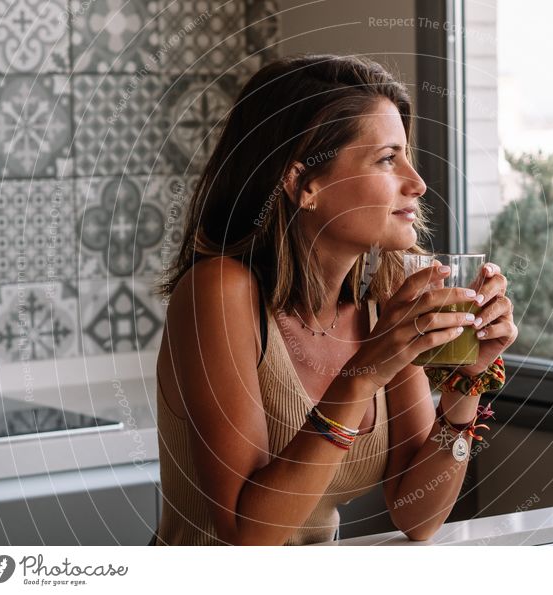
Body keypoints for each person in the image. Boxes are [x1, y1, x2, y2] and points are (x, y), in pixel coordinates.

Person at [152, 54, 517, 546]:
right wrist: (362, 374)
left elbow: (418, 515)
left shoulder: (383, 303)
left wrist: (466, 382)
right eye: (388, 159)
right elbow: (246, 537)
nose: (418, 182)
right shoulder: (219, 294)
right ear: (305, 183)